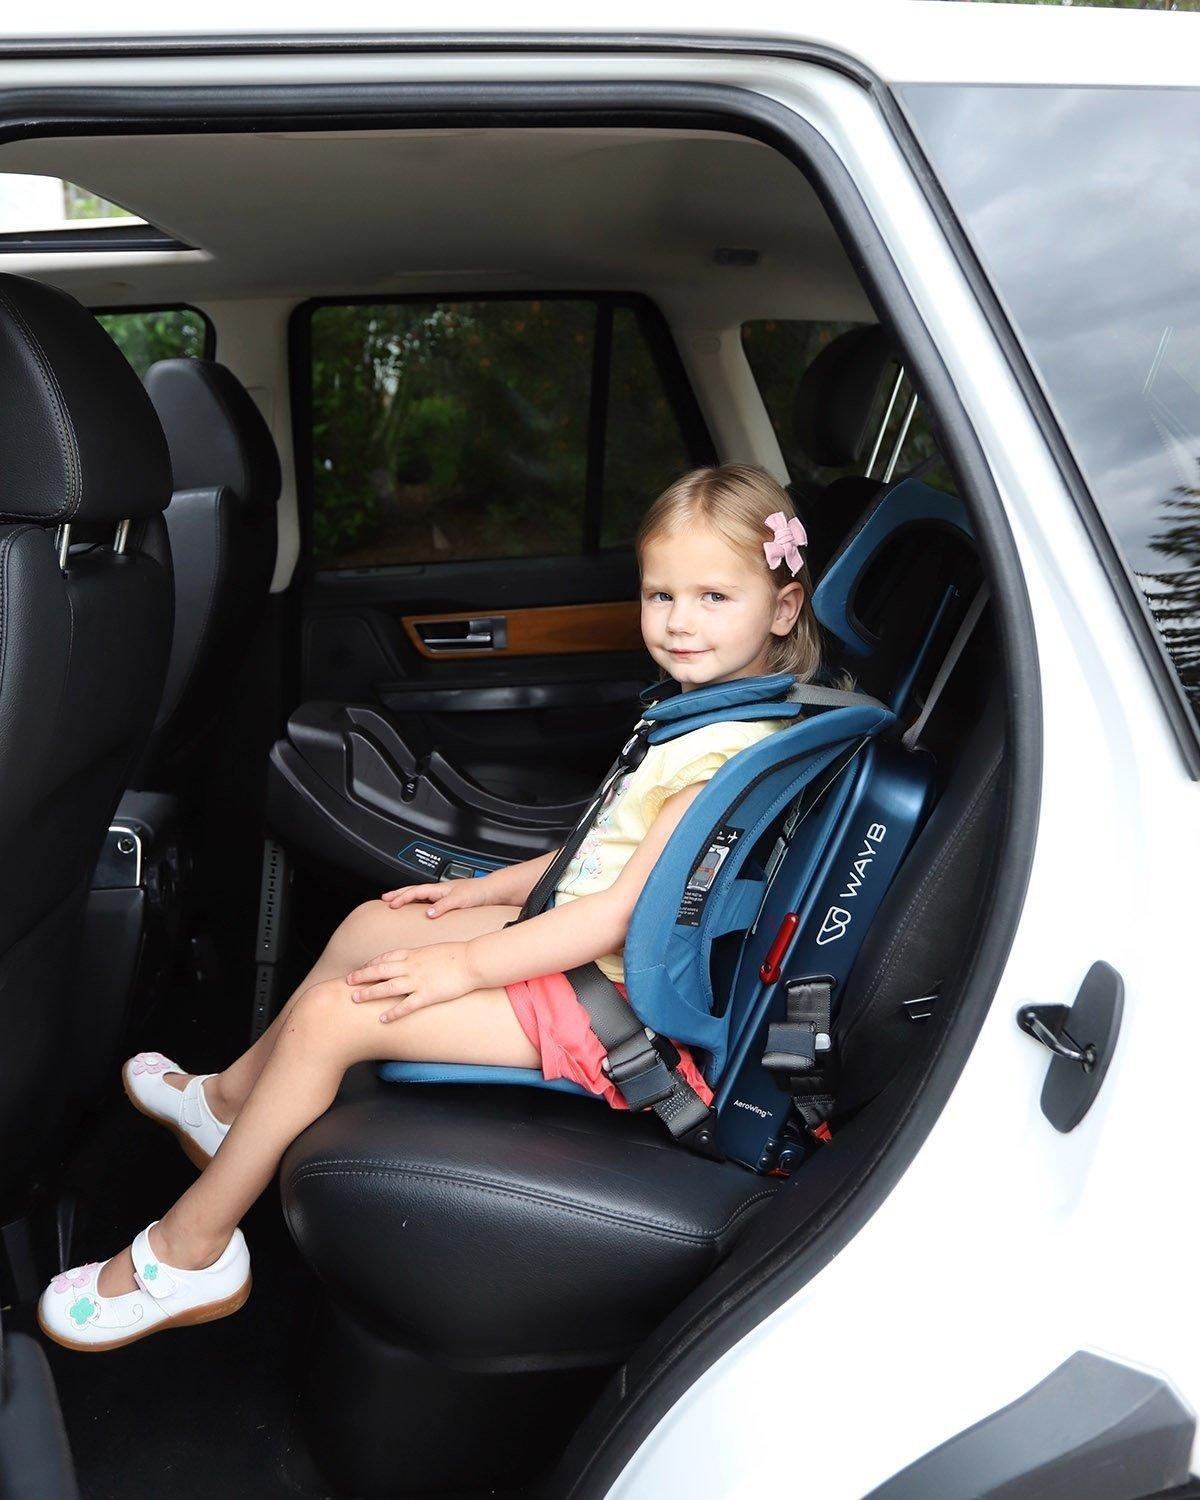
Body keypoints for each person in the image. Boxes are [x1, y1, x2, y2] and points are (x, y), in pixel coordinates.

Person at [38, 463, 824, 1352]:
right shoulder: (704, 715)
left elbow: (614, 917)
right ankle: (227, 1105)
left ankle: (193, 1253)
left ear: (783, 609)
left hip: (616, 1009)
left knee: (337, 1016)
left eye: (715, 597)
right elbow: (607, 856)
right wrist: (483, 892)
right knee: (375, 926)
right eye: (661, 595)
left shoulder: (722, 757)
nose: (680, 621)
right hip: (601, 954)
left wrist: (460, 966)